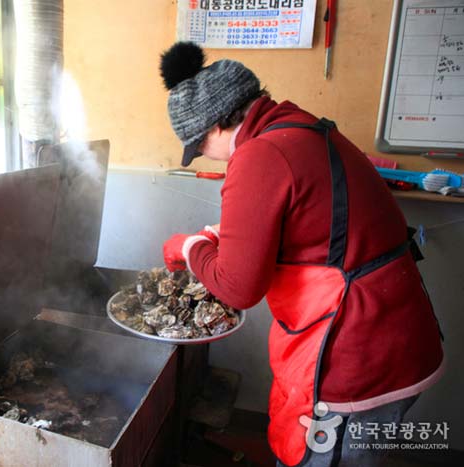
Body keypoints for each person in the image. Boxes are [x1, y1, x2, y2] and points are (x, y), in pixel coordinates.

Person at [159, 42, 444, 467]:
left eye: (198, 146)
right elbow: (314, 222)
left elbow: (238, 289)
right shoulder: (303, 126)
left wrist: (190, 245)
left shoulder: (258, 155)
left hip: (358, 355)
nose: (206, 156)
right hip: (400, 335)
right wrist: (232, 234)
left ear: (216, 125)